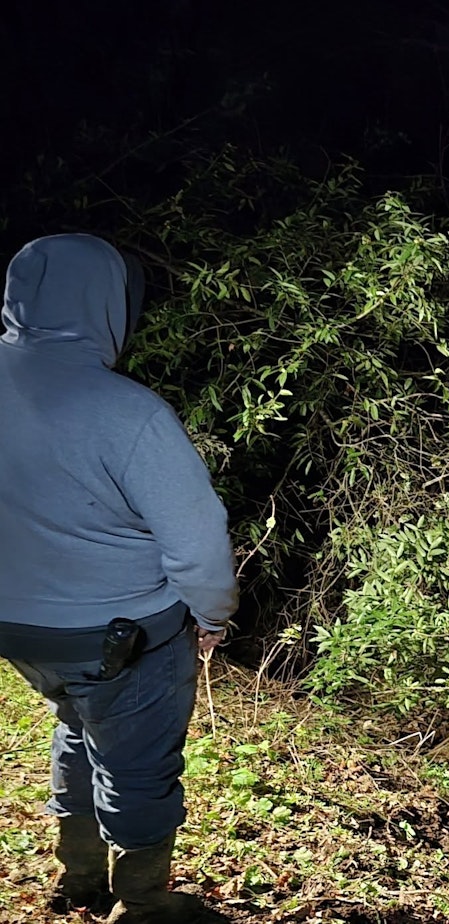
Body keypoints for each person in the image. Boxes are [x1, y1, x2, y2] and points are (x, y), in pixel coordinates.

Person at [0, 234, 236, 923]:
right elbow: (197, 546)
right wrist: (213, 617)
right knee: (136, 765)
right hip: (123, 635)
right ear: (108, 305)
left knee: (77, 724)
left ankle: (78, 878)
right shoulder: (129, 414)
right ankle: (141, 902)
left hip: (21, 634)